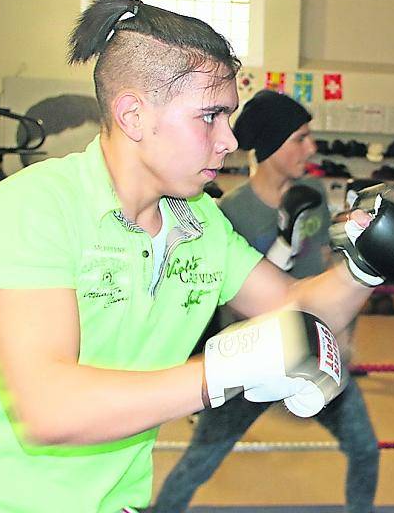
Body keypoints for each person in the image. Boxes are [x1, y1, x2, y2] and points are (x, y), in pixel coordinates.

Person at [0, 0, 390, 511]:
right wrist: (229, 368)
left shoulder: (199, 222)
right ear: (132, 115)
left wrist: (364, 266)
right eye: (210, 117)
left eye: (228, 116)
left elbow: (296, 305)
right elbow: (49, 409)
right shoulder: (33, 207)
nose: (229, 140)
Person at [151, 90, 379, 512]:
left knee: (366, 448)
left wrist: (348, 314)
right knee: (199, 462)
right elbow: (231, 303)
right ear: (272, 146)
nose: (311, 148)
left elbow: (326, 266)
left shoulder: (311, 193)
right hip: (249, 361)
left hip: (317, 350)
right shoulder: (231, 212)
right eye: (300, 138)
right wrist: (279, 248)